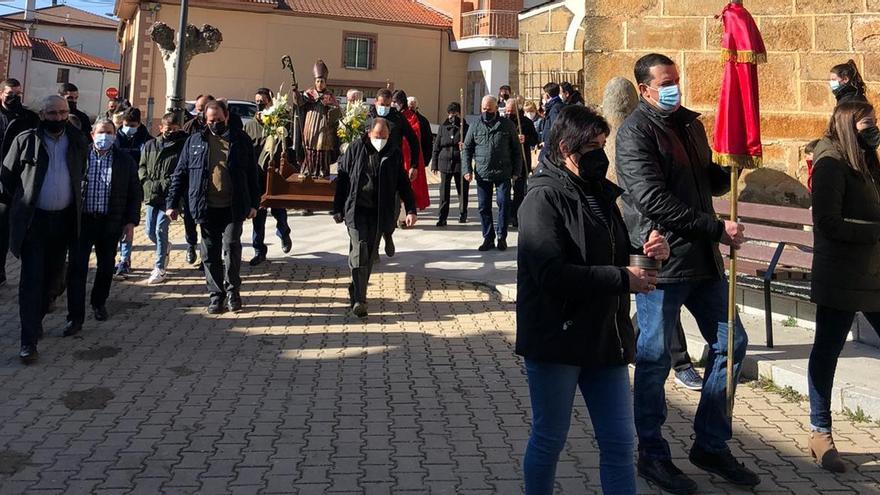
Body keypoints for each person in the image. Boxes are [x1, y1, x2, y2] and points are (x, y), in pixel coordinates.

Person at [615, 53, 758, 493]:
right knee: (655, 359)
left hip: (701, 261)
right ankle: (652, 454)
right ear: (645, 89)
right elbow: (653, 199)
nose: (674, 88)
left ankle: (711, 443)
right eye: (665, 82)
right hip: (657, 260)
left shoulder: (691, 125)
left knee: (731, 343)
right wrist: (717, 227)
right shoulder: (634, 133)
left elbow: (702, 181)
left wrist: (732, 162)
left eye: (677, 79)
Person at [517, 105, 670, 495]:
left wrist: (647, 250)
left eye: (604, 144)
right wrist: (623, 278)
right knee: (550, 438)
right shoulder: (542, 198)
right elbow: (550, 274)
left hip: (605, 337)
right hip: (558, 339)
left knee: (620, 442)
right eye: (593, 146)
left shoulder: (600, 192)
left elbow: (613, 250)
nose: (601, 154)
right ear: (566, 147)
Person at [807, 101, 880, 473]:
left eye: (875, 124)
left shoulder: (865, 159)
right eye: (867, 125)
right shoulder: (831, 163)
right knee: (827, 351)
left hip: (872, 275)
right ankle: (821, 432)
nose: (874, 131)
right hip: (841, 277)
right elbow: (828, 222)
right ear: (850, 126)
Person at [0, 95, 88, 363]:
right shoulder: (25, 140)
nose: (58, 118)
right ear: (42, 114)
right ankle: (28, 342)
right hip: (34, 222)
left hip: (63, 222)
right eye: (52, 113)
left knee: (53, 280)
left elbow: (80, 172)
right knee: (31, 280)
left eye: (62, 112)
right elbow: (7, 178)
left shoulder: (77, 141)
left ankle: (37, 317)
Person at [166, 100, 260, 314]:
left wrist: (255, 204)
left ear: (226, 117)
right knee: (209, 253)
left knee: (232, 247)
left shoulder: (241, 140)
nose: (215, 123)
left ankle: (233, 292)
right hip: (205, 206)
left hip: (233, 206)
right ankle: (216, 295)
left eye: (218, 119)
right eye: (211, 120)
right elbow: (180, 173)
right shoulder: (195, 141)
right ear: (204, 120)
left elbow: (253, 174)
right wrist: (172, 203)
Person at [332, 118, 417, 318]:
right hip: (356, 209)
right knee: (359, 249)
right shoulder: (354, 149)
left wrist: (411, 209)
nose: (381, 140)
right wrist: (337, 207)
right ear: (369, 133)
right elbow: (343, 179)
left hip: (379, 212)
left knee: (369, 255)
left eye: (385, 137)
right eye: (378, 136)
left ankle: (356, 290)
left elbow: (403, 184)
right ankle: (360, 300)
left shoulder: (393, 153)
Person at [66, 120, 141, 336]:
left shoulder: (124, 160)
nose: (104, 136)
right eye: (101, 132)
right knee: (77, 268)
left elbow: (135, 192)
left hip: (110, 222)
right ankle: (75, 317)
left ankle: (99, 302)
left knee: (106, 267)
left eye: (109, 133)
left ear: (115, 135)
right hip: (83, 222)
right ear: (92, 134)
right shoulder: (80, 157)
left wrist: (130, 221)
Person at [461, 95, 521, 252]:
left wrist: (517, 171)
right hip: (482, 172)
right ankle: (488, 237)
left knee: (503, 203)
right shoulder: (475, 125)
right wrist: (466, 169)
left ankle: (502, 237)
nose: (486, 111)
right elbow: (467, 149)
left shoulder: (507, 125)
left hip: (503, 172)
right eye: (483, 109)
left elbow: (516, 150)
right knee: (483, 206)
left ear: (496, 108)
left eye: (489, 109)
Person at [366, 88, 420, 257]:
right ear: (376, 102)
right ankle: (373, 248)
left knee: (392, 208)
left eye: (389, 105)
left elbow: (413, 140)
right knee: (373, 208)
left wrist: (414, 165)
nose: (385, 108)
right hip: (371, 167)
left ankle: (388, 234)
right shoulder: (368, 118)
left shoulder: (398, 118)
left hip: (393, 166)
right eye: (382, 105)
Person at [244, 87, 292, 266]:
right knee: (258, 214)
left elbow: (288, 147)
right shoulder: (249, 126)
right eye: (257, 101)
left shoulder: (279, 124)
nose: (259, 104)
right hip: (256, 176)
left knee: (279, 209)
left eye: (263, 101)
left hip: (275, 175)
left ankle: (284, 233)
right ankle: (259, 250)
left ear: (271, 103)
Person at [139, 112, 188, 284]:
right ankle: (166, 246)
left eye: (175, 129)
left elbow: (180, 172)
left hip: (169, 197)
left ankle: (160, 267)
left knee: (161, 229)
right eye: (168, 129)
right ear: (161, 128)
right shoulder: (150, 145)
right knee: (149, 231)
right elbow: (142, 166)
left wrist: (164, 185)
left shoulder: (181, 147)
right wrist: (146, 182)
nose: (171, 132)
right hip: (151, 194)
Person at [0, 79, 39, 287]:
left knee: (10, 227)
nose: (14, 98)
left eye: (18, 94)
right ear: (1, 94)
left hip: (20, 181)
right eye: (10, 94)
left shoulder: (28, 118)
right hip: (1, 177)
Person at [114, 106, 152, 278]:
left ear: (139, 124)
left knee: (129, 225)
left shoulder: (147, 139)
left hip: (134, 187)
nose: (129, 127)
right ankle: (113, 257)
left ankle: (125, 259)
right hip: (114, 186)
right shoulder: (114, 136)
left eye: (133, 124)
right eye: (127, 124)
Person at [296, 60, 342, 178]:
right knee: (309, 144)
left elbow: (336, 110)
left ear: (325, 82)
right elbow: (299, 102)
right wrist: (295, 92)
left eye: (322, 81)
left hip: (324, 124)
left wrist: (330, 107)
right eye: (318, 81)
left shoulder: (330, 96)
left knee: (322, 145)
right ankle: (308, 169)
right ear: (314, 82)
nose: (320, 83)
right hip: (310, 123)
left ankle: (322, 170)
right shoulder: (309, 94)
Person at [503, 96, 540, 228]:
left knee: (519, 190)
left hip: (522, 161)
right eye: (507, 111)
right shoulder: (502, 123)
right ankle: (506, 214)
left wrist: (526, 138)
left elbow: (535, 139)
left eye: (511, 111)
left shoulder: (526, 122)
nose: (508, 114)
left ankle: (516, 215)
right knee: (504, 192)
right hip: (506, 161)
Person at [431, 102, 469, 226]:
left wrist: (465, 146)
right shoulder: (443, 127)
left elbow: (470, 144)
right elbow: (436, 146)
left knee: (462, 190)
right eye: (450, 113)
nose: (452, 116)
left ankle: (463, 213)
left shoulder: (465, 127)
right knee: (444, 191)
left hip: (459, 161)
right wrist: (434, 164)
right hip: (445, 161)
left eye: (455, 113)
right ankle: (442, 217)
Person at [398, 92, 430, 212]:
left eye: (413, 105)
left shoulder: (416, 118)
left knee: (409, 185)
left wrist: (426, 159)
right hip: (398, 155)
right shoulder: (395, 114)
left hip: (410, 157)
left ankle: (407, 212)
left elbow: (424, 140)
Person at [539, 82, 565, 160]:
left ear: (547, 95)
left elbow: (555, 128)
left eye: (543, 94)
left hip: (551, 147)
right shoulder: (557, 106)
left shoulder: (555, 109)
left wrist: (547, 143)